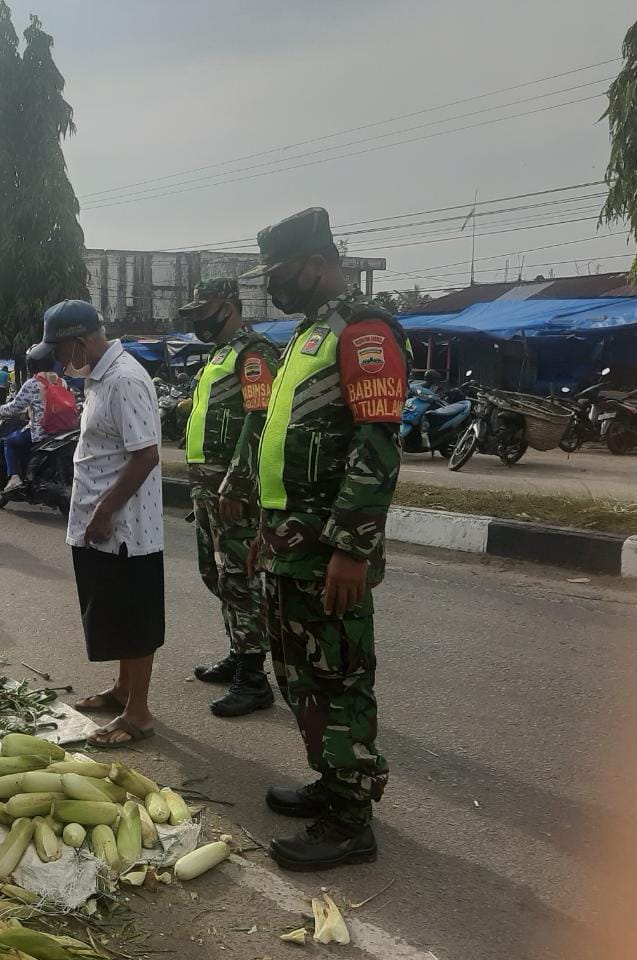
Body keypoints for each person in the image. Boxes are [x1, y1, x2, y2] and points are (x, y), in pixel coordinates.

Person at [240, 207, 408, 870]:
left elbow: (377, 442)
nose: (274, 285)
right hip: (287, 544)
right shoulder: (308, 335)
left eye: (280, 273)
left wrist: (351, 547)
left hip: (328, 552)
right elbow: (284, 446)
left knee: (338, 678)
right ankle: (330, 781)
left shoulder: (364, 331)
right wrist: (262, 529)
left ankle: (350, 819)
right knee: (299, 674)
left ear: (316, 263)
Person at [33, 300, 163, 748]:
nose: (59, 358)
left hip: (125, 528)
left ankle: (139, 713)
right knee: (113, 612)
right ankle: (123, 691)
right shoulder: (98, 378)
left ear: (81, 341)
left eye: (62, 348)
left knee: (133, 616)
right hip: (100, 522)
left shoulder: (124, 379)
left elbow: (145, 454)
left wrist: (106, 511)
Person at [180, 278, 281, 717]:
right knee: (216, 573)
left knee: (239, 578)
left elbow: (260, 420)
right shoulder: (221, 354)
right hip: (207, 482)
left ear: (230, 306)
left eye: (207, 311)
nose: (200, 320)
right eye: (195, 314)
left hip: (230, 486)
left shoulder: (253, 352)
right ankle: (239, 654)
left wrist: (238, 482)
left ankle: (253, 678)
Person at [0, 345, 75, 493]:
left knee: (9, 442)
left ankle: (14, 478)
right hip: (62, 432)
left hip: (41, 432)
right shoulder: (61, 382)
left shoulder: (32, 384)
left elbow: (15, 407)